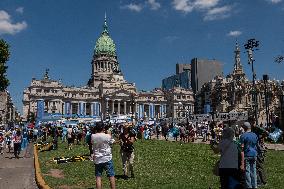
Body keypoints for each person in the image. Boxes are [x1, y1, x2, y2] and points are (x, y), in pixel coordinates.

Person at [91, 122, 116, 189]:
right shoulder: (107, 136)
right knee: (111, 175)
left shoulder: (93, 136)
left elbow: (92, 143)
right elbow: (112, 141)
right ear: (103, 128)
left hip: (97, 158)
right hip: (107, 157)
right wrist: (109, 133)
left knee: (98, 177)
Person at [240, 122, 258, 189]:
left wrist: (242, 163)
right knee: (253, 170)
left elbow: (242, 149)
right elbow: (256, 145)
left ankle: (249, 186)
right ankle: (255, 185)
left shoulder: (243, 136)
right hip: (254, 154)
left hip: (247, 155)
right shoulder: (255, 135)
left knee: (247, 171)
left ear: (244, 128)